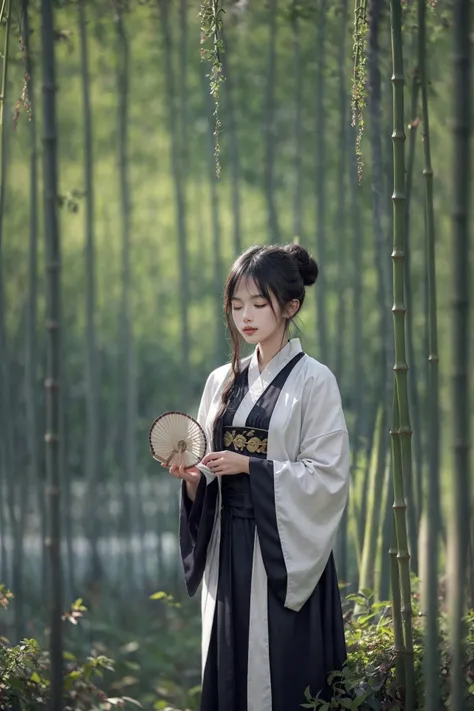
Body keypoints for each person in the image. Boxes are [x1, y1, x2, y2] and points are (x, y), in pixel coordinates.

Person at [166, 244, 350, 711]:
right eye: (236, 305)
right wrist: (192, 479)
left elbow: (328, 476)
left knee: (285, 678)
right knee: (229, 670)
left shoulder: (315, 381)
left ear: (291, 306)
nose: (245, 316)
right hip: (229, 548)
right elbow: (208, 467)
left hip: (284, 552)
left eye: (259, 303)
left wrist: (251, 466)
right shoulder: (221, 381)